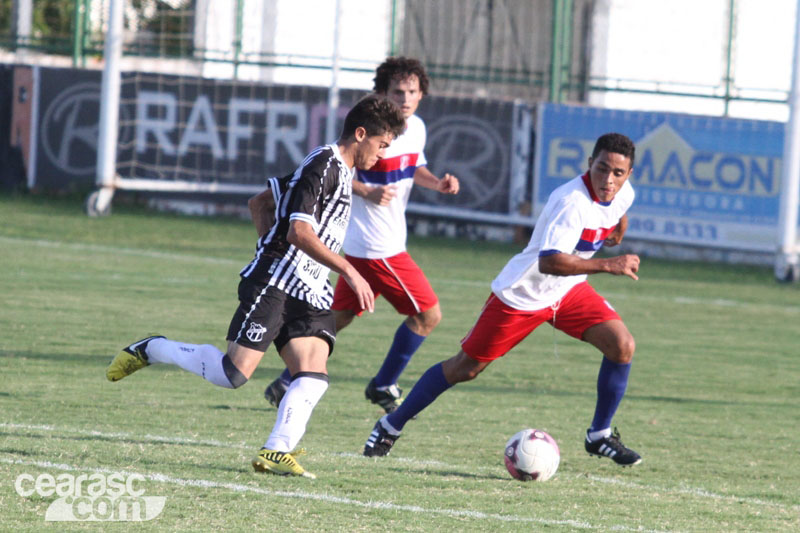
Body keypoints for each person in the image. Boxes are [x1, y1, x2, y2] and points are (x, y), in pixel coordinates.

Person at [107, 95, 406, 479]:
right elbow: (299, 231)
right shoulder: (323, 165)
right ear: (361, 134)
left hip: (309, 288)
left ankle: (276, 451)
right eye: (382, 145)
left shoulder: (341, 172)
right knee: (232, 375)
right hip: (276, 283)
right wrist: (344, 269)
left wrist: (270, 240)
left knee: (314, 374)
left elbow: (260, 202)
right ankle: (154, 348)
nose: (382, 154)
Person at [363, 132, 644, 467]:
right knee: (465, 368)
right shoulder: (571, 202)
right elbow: (549, 262)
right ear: (589, 164)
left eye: (617, 173)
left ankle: (599, 435)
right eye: (602, 169)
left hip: (567, 291)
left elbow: (617, 210)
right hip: (523, 294)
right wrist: (608, 264)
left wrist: (618, 228)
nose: (608, 180)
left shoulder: (622, 193)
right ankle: (390, 425)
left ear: (628, 175)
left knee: (622, 345)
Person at [263, 57, 460, 413]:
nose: (405, 98)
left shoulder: (415, 129)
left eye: (412, 91)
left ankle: (289, 378)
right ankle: (384, 385)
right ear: (381, 93)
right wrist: (365, 191)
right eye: (397, 91)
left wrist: (437, 183)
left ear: (421, 95)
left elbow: (412, 166)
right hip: (377, 247)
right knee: (428, 315)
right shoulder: (368, 130)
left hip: (364, 245)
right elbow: (333, 169)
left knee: (339, 317)